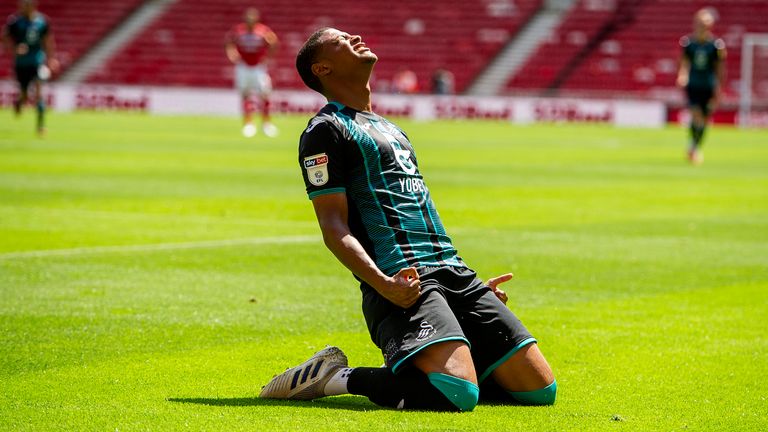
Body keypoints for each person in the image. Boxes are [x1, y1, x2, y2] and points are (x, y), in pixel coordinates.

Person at [259, 28, 556, 412]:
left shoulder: (392, 129)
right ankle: (332, 377)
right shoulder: (324, 131)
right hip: (402, 278)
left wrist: (472, 288)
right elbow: (334, 228)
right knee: (455, 394)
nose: (357, 36)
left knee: (537, 391)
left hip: (455, 271)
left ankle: (446, 352)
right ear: (323, 68)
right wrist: (383, 284)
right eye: (341, 39)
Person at [676, 8, 726, 164]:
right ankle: (694, 149)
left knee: (704, 119)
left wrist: (719, 87)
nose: (702, 26)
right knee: (696, 114)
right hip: (694, 84)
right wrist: (682, 75)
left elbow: (719, 68)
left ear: (710, 25)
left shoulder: (716, 45)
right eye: (699, 22)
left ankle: (693, 146)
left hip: (709, 85)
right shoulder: (688, 43)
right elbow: (684, 62)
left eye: (705, 23)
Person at [2, 0, 58, 135]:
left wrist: (51, 58)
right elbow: (3, 38)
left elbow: (48, 40)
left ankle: (41, 126)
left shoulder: (42, 21)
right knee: (24, 94)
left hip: (37, 61)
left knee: (39, 93)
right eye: (22, 4)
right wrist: (15, 49)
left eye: (26, 5)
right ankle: (19, 102)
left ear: (33, 6)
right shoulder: (14, 22)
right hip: (21, 64)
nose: (23, 7)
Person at [225, 8, 278, 138]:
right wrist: (232, 54)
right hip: (243, 66)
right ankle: (248, 123)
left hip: (258, 67)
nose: (249, 21)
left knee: (264, 94)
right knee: (245, 94)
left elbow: (273, 42)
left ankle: (266, 124)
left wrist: (268, 56)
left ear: (256, 20)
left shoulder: (262, 30)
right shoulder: (239, 30)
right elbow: (229, 42)